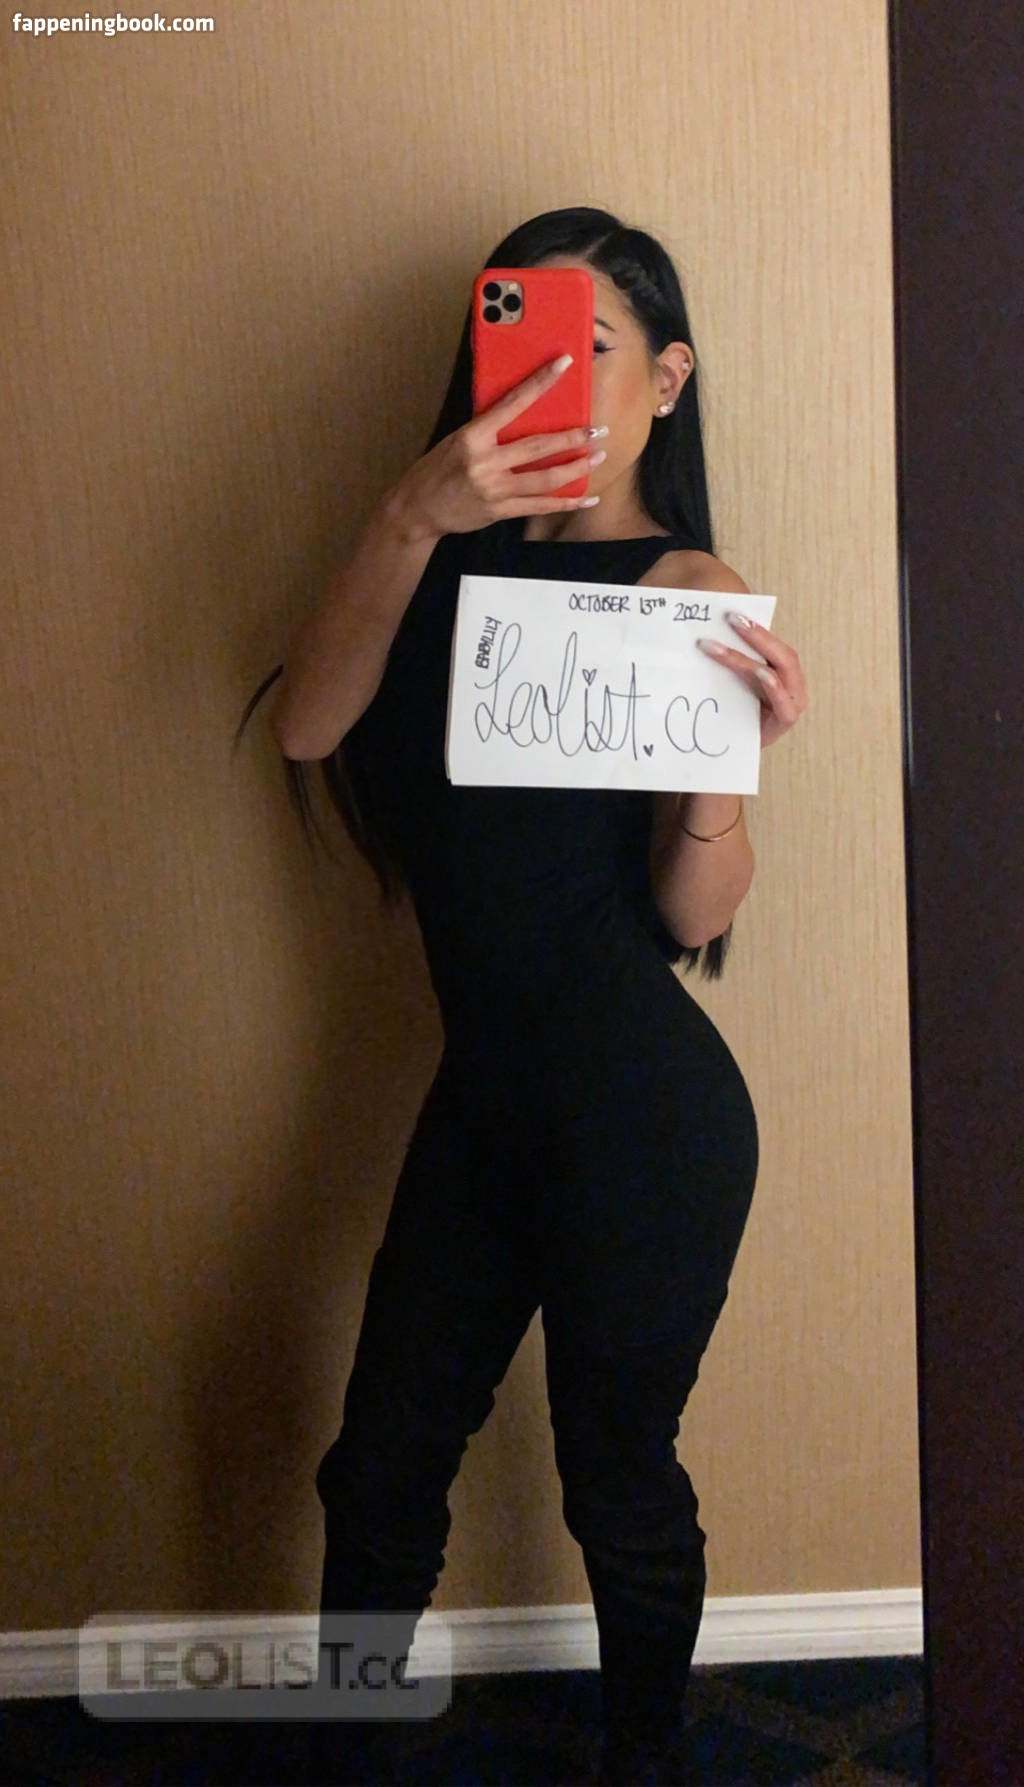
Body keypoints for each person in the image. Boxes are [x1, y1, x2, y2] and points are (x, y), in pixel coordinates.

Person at [234, 205, 807, 1786]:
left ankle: (648, 1758)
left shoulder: (690, 586)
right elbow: (307, 730)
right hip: (483, 1101)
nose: (547, 380)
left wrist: (727, 772)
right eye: (518, 343)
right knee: (379, 1465)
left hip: (647, 1117)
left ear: (665, 379)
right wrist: (411, 514)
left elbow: (690, 913)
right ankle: (353, 1741)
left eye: (590, 347)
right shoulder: (433, 558)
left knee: (616, 1475)